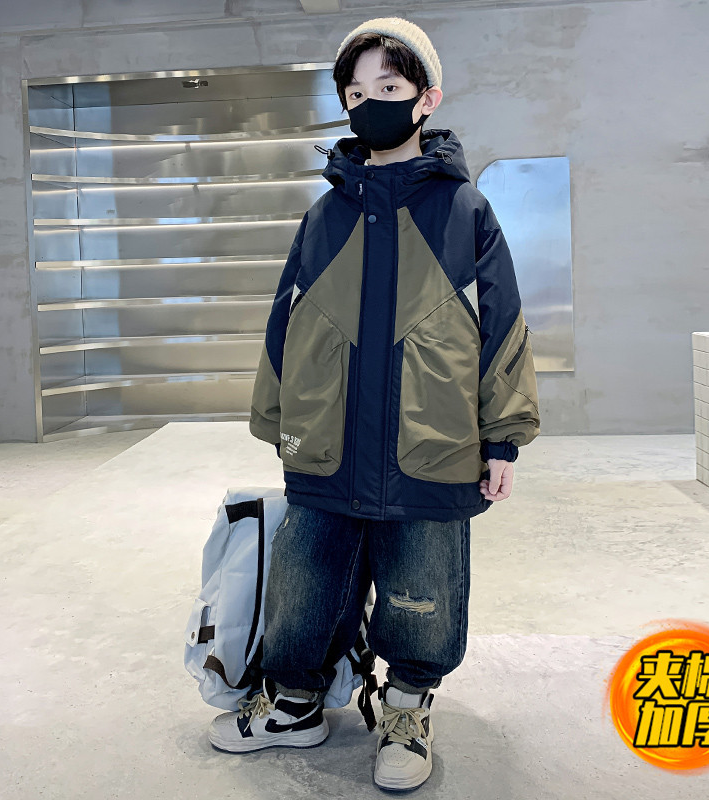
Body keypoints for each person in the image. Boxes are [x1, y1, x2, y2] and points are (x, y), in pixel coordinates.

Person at [208, 16, 541, 792]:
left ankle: (408, 707)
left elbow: (503, 326)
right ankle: (295, 704)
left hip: (431, 445)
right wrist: (280, 422)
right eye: (355, 94)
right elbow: (285, 322)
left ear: (427, 98)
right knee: (305, 589)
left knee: (424, 592)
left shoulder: (463, 211)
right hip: (324, 443)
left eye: (388, 87)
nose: (369, 104)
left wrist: (502, 438)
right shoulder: (325, 214)